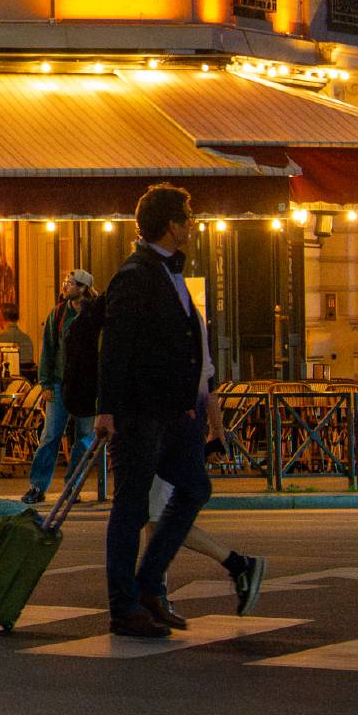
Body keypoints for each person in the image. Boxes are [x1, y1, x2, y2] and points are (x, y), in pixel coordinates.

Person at [92, 184, 262, 638]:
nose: (192, 224)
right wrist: (106, 409)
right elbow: (116, 348)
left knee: (194, 487)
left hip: (173, 412)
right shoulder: (135, 274)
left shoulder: (170, 274)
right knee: (130, 506)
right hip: (139, 411)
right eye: (188, 217)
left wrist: (197, 401)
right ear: (172, 225)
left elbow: (185, 345)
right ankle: (123, 606)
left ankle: (148, 586)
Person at [21, 270, 96, 505]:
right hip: (59, 382)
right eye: (65, 282)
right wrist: (45, 382)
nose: (65, 286)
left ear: (83, 288)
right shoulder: (58, 314)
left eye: (70, 283)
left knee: (85, 437)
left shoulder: (94, 314)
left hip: (87, 385)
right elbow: (48, 349)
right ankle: (37, 486)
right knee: (51, 435)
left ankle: (73, 485)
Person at [0, 304, 36, 386]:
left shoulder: (1, 336)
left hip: (8, 382)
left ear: (1, 318)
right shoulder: (27, 338)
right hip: (26, 383)